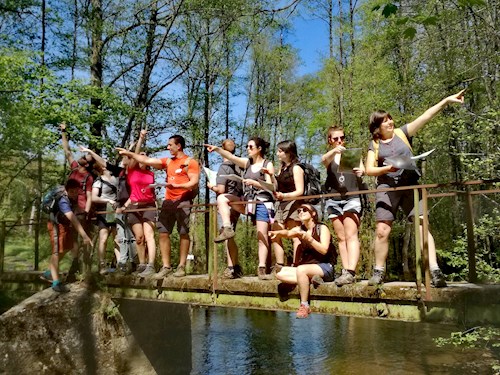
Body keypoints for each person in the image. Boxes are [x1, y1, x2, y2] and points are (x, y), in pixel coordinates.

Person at [365, 90, 465, 287]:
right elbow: (369, 169)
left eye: (390, 118)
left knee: (422, 226)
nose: (390, 122)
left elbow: (426, 116)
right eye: (385, 121)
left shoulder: (403, 133)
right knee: (382, 230)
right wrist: (388, 168)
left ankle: (435, 271)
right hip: (386, 188)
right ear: (377, 126)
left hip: (411, 184)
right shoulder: (374, 144)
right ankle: (379, 271)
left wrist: (445, 101)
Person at [117, 134, 200, 279]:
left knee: (183, 233)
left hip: (183, 201)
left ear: (178, 146)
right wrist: (129, 153)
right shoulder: (167, 161)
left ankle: (181, 266)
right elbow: (147, 160)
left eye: (170, 145)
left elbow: (193, 182)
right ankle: (166, 266)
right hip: (168, 202)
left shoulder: (190, 162)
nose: (167, 147)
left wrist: (177, 185)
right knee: (163, 232)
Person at [205, 137, 275, 280]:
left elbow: (272, 187)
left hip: (261, 202)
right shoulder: (247, 163)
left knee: (262, 237)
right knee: (222, 198)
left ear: (259, 149)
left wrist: (255, 183)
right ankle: (227, 228)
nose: (247, 149)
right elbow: (230, 156)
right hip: (246, 202)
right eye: (247, 147)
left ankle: (261, 268)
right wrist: (217, 149)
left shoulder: (268, 164)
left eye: (250, 147)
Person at [80, 130, 147, 273]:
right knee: (121, 237)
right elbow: (103, 162)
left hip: (129, 207)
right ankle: (119, 264)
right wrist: (90, 151)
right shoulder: (118, 172)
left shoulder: (132, 171)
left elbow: (133, 156)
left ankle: (135, 263)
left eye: (126, 158)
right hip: (116, 210)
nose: (123, 159)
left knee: (132, 237)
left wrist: (138, 141)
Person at [269, 204, 336, 318]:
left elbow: (324, 250)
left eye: (305, 210)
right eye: (299, 210)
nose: (301, 212)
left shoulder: (322, 228)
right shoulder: (301, 229)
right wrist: (277, 233)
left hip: (325, 267)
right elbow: (288, 233)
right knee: (279, 273)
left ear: (313, 214)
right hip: (307, 270)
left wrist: (309, 239)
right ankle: (309, 280)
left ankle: (304, 305)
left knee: (301, 269)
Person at [321, 126, 365, 286]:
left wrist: (361, 172)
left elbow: (362, 169)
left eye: (342, 138)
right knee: (341, 237)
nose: (340, 141)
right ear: (330, 140)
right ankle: (345, 270)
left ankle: (351, 271)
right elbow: (323, 160)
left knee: (351, 234)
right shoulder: (330, 157)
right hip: (333, 199)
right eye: (336, 138)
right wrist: (335, 151)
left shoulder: (351, 155)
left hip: (351, 197)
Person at [60, 122, 95, 281]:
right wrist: (63, 133)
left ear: (87, 164)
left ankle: (80, 269)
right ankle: (75, 268)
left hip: (80, 211)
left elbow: (88, 195)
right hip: (68, 209)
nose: (82, 157)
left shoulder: (88, 177)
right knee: (72, 240)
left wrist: (86, 213)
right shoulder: (73, 168)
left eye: (85, 157)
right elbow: (67, 151)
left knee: (81, 239)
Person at [43, 179, 93, 292]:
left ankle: (48, 272)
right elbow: (72, 218)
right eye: (72, 192)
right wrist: (84, 235)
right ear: (67, 190)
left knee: (67, 247)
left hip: (64, 225)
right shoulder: (62, 200)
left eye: (76, 191)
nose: (75, 194)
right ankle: (56, 283)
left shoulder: (72, 197)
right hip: (55, 225)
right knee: (57, 252)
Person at [264, 140, 304, 275]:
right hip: (280, 204)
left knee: (295, 235)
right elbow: (277, 187)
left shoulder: (297, 168)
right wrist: (270, 176)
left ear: (288, 152)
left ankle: (296, 264)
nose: (277, 154)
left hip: (293, 204)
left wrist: (284, 195)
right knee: (275, 234)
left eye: (280, 151)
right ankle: (279, 265)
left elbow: (300, 191)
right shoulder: (281, 167)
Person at [116, 150, 157, 278]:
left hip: (149, 205)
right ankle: (142, 264)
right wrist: (124, 207)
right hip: (134, 206)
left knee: (149, 235)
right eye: (140, 156)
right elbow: (133, 194)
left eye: (145, 156)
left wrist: (156, 206)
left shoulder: (151, 174)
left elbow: (152, 193)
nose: (142, 158)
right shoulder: (131, 171)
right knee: (139, 238)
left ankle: (151, 265)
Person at [208, 139, 244, 279]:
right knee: (230, 235)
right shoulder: (240, 166)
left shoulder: (224, 167)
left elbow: (221, 189)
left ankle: (231, 268)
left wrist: (212, 187)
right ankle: (235, 266)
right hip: (239, 203)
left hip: (227, 205)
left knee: (227, 235)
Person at [91, 164, 119, 274]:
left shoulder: (116, 179)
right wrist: (107, 201)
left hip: (116, 211)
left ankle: (120, 264)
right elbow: (94, 197)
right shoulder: (98, 181)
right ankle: (102, 265)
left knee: (117, 239)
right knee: (103, 239)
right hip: (104, 212)